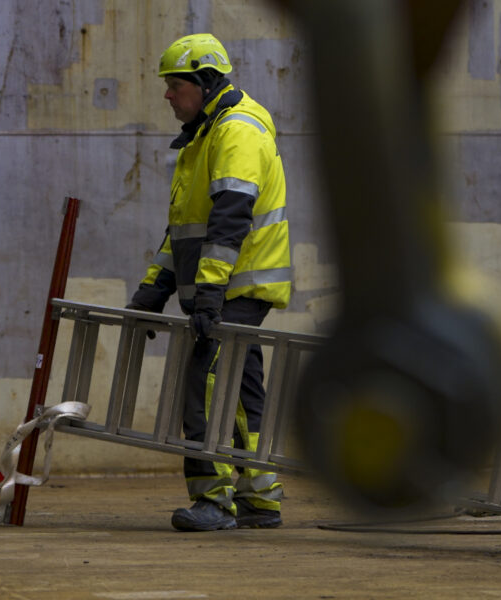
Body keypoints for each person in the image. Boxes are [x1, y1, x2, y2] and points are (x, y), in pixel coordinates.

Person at [128, 34, 293, 531]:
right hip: (230, 287)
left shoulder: (235, 132)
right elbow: (186, 231)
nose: (167, 96)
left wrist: (209, 295)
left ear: (204, 82)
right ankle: (260, 500)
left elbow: (229, 220)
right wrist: (153, 289)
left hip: (234, 287)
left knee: (207, 385)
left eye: (175, 85)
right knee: (241, 393)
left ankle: (215, 502)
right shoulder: (206, 136)